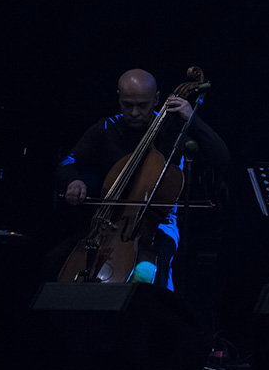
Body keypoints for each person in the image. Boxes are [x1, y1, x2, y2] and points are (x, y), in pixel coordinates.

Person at [51, 68, 229, 290]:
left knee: (149, 271)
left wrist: (193, 118)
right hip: (108, 222)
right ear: (118, 97)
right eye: (127, 104)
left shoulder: (172, 127)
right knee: (53, 261)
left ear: (156, 99)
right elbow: (68, 162)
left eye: (142, 105)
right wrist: (73, 181)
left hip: (159, 223)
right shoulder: (107, 128)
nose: (134, 112)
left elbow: (221, 157)